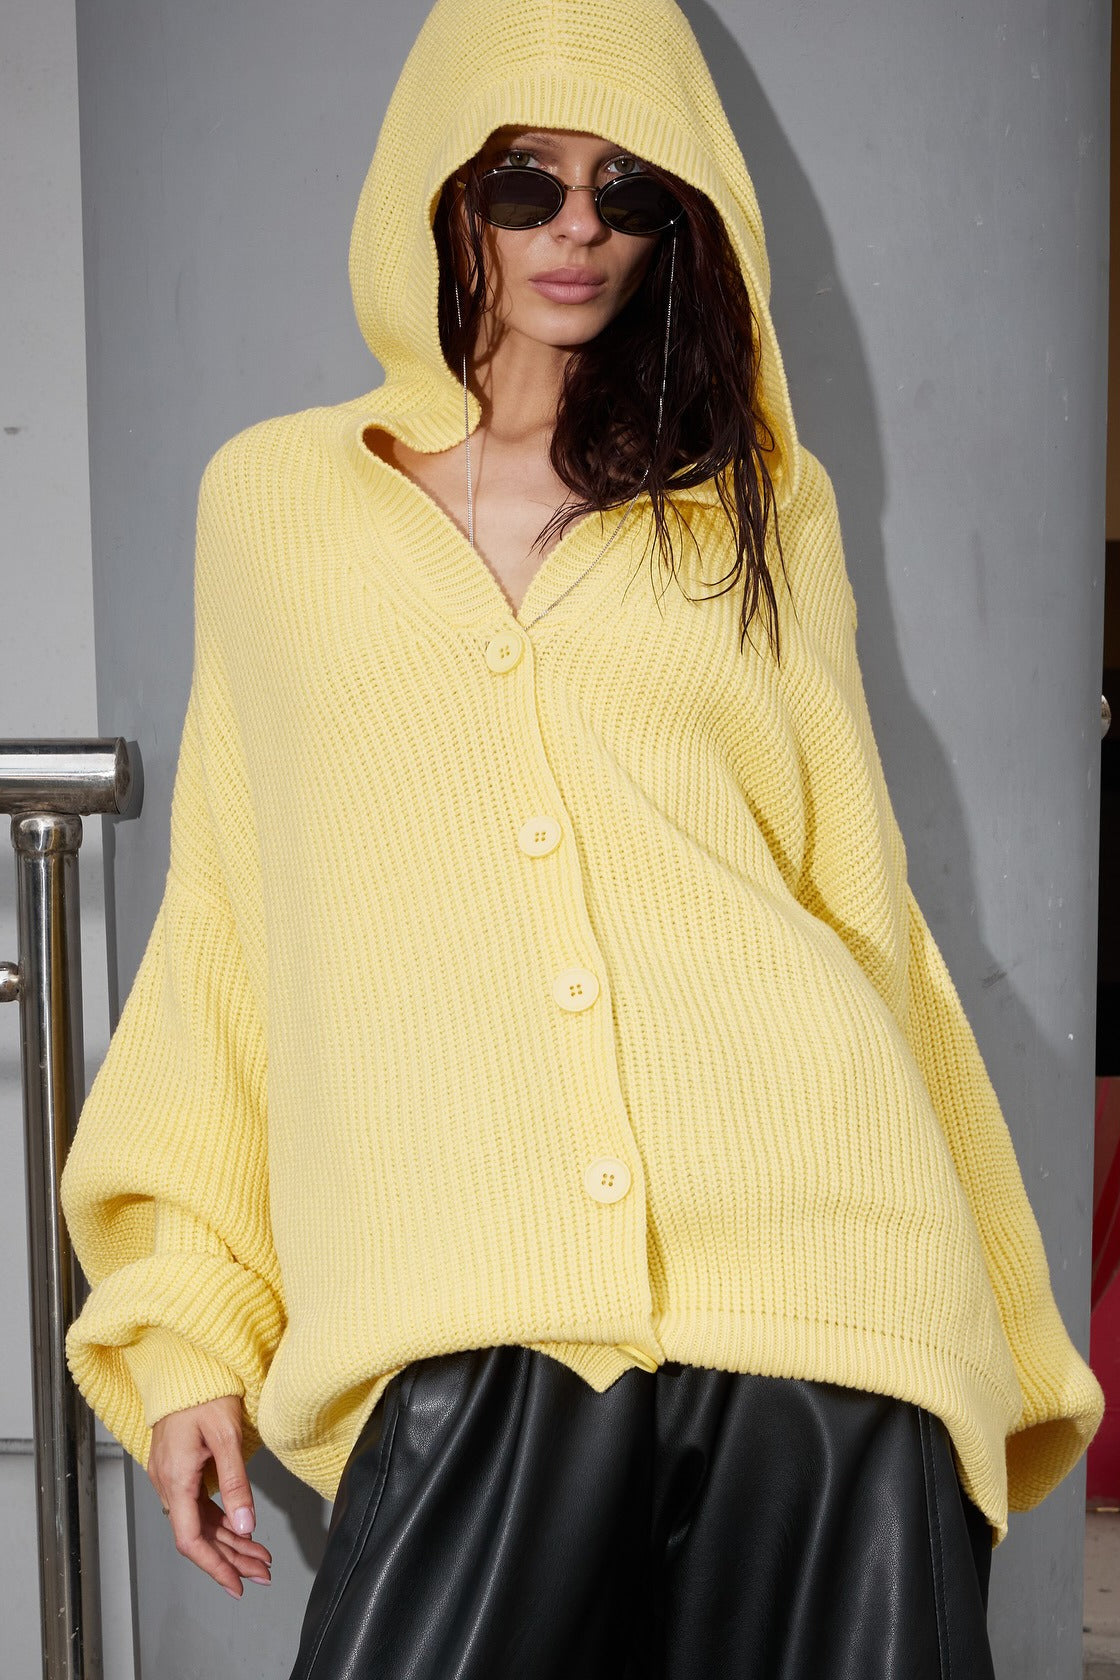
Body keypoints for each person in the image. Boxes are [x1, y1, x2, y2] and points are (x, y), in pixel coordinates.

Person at [59, 0, 1105, 1674]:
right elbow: (233, 930)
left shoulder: (763, 508)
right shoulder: (276, 504)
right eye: (524, 184)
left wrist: (984, 1320)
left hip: (823, 1287)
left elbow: (857, 900)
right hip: (468, 1296)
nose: (577, 231)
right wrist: (183, 1321)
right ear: (441, 194)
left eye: (628, 190)